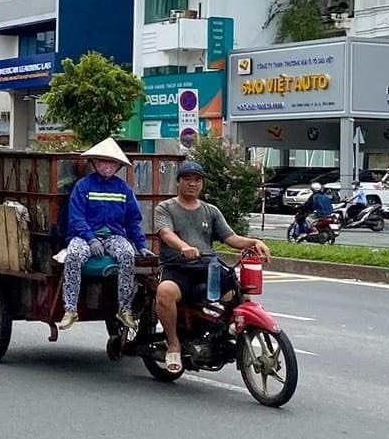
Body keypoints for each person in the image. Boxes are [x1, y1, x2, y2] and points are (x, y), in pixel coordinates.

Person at [153, 159, 270, 375]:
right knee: (164, 292)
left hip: (207, 266)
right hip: (177, 267)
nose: (192, 184)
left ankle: (223, 333)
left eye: (197, 180)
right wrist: (184, 247)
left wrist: (254, 242)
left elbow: (230, 238)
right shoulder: (165, 208)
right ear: (178, 182)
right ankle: (173, 344)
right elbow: (166, 234)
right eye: (187, 179)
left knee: (238, 292)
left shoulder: (211, 211)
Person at [58, 138, 146, 334]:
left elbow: (133, 221)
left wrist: (140, 245)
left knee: (127, 255)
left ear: (118, 166)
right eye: (102, 161)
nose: (107, 166)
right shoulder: (83, 186)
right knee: (73, 256)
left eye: (111, 163)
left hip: (114, 236)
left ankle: (125, 309)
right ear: (94, 163)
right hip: (83, 235)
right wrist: (91, 239)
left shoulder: (123, 189)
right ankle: (70, 309)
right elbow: (76, 217)